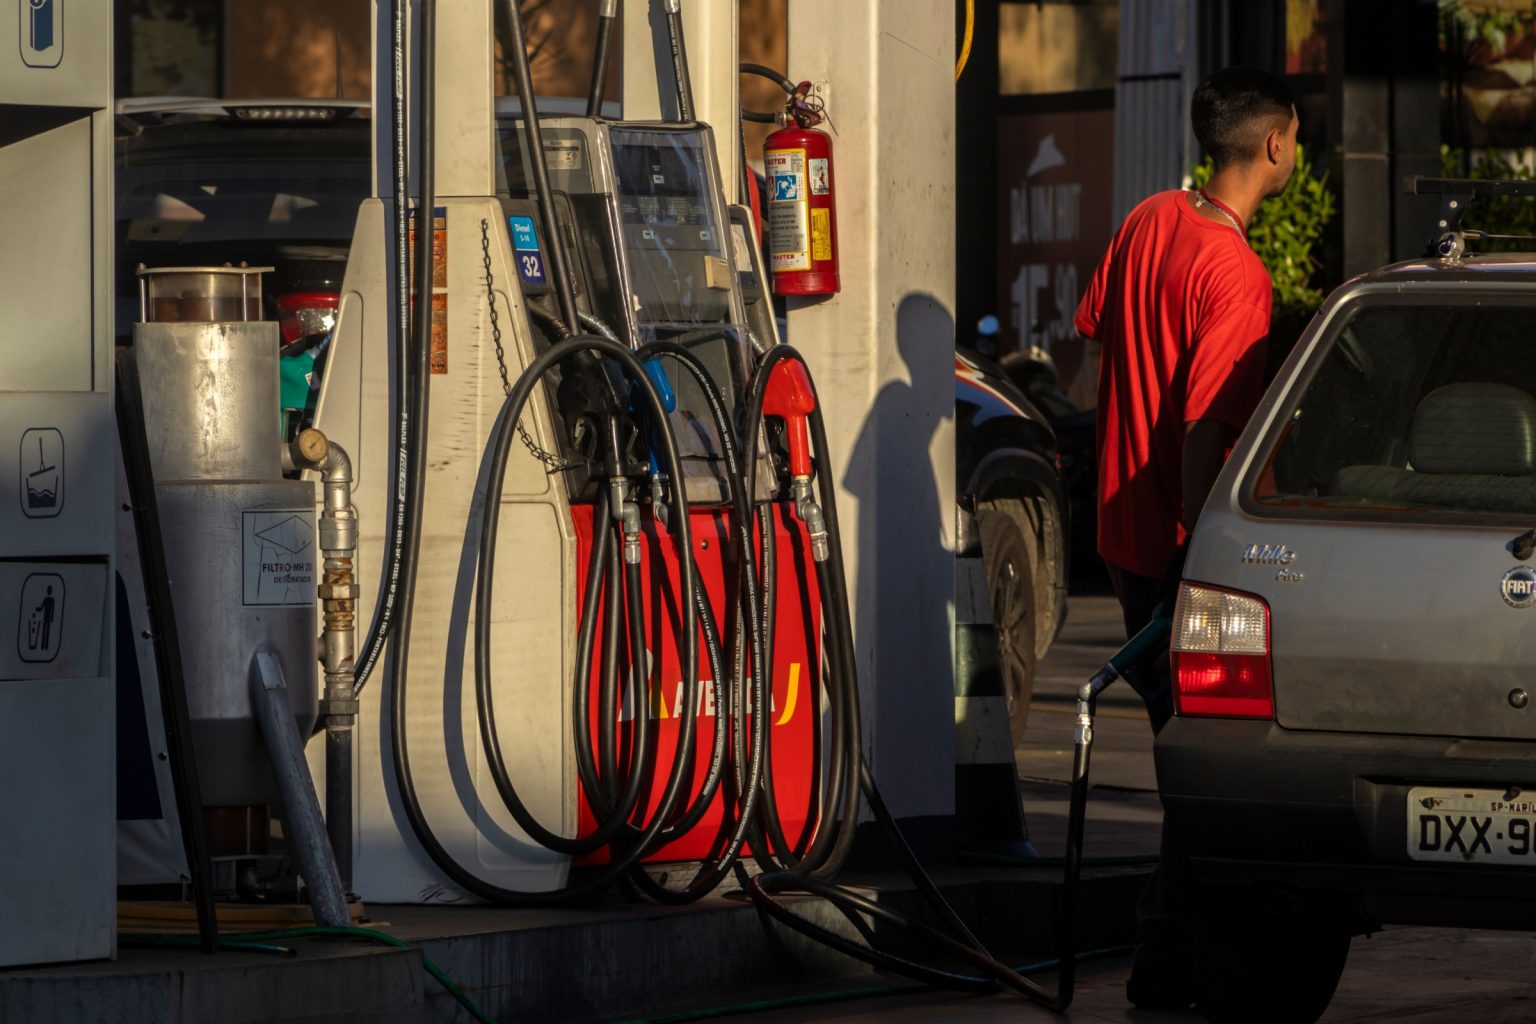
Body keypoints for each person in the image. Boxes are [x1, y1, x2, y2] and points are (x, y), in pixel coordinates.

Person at [1073, 66, 1299, 1009]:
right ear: (1277, 144)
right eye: (1299, 137)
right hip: (1179, 546)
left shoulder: (1146, 220)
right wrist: (1214, 562)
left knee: (1188, 755)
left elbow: (1095, 338)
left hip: (1124, 535)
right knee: (1211, 766)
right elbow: (1207, 427)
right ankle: (1169, 961)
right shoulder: (1238, 276)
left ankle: (1171, 960)